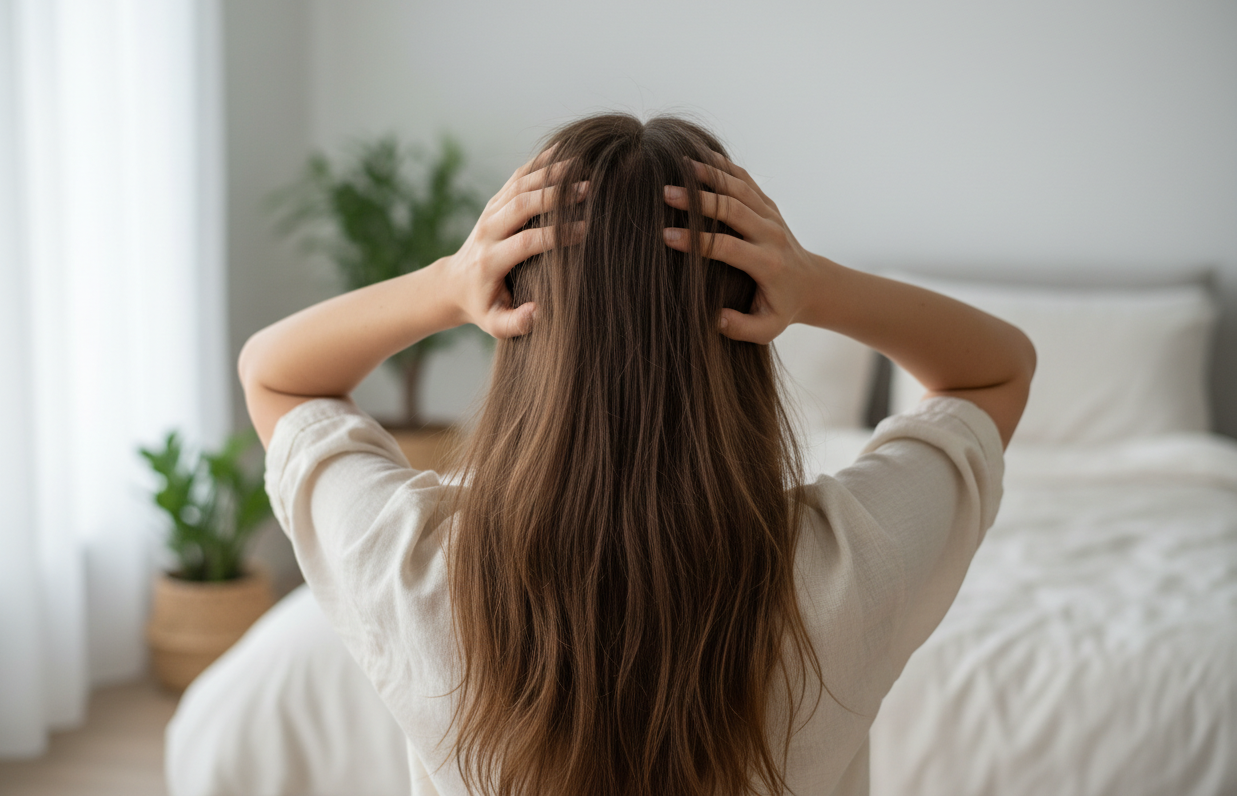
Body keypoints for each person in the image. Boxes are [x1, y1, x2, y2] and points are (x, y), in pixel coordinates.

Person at [239, 114, 1035, 796]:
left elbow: (275, 377)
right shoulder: (849, 563)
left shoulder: (418, 569)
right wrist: (816, 284)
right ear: (744, 342)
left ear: (523, 337)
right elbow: (995, 369)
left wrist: (448, 284)